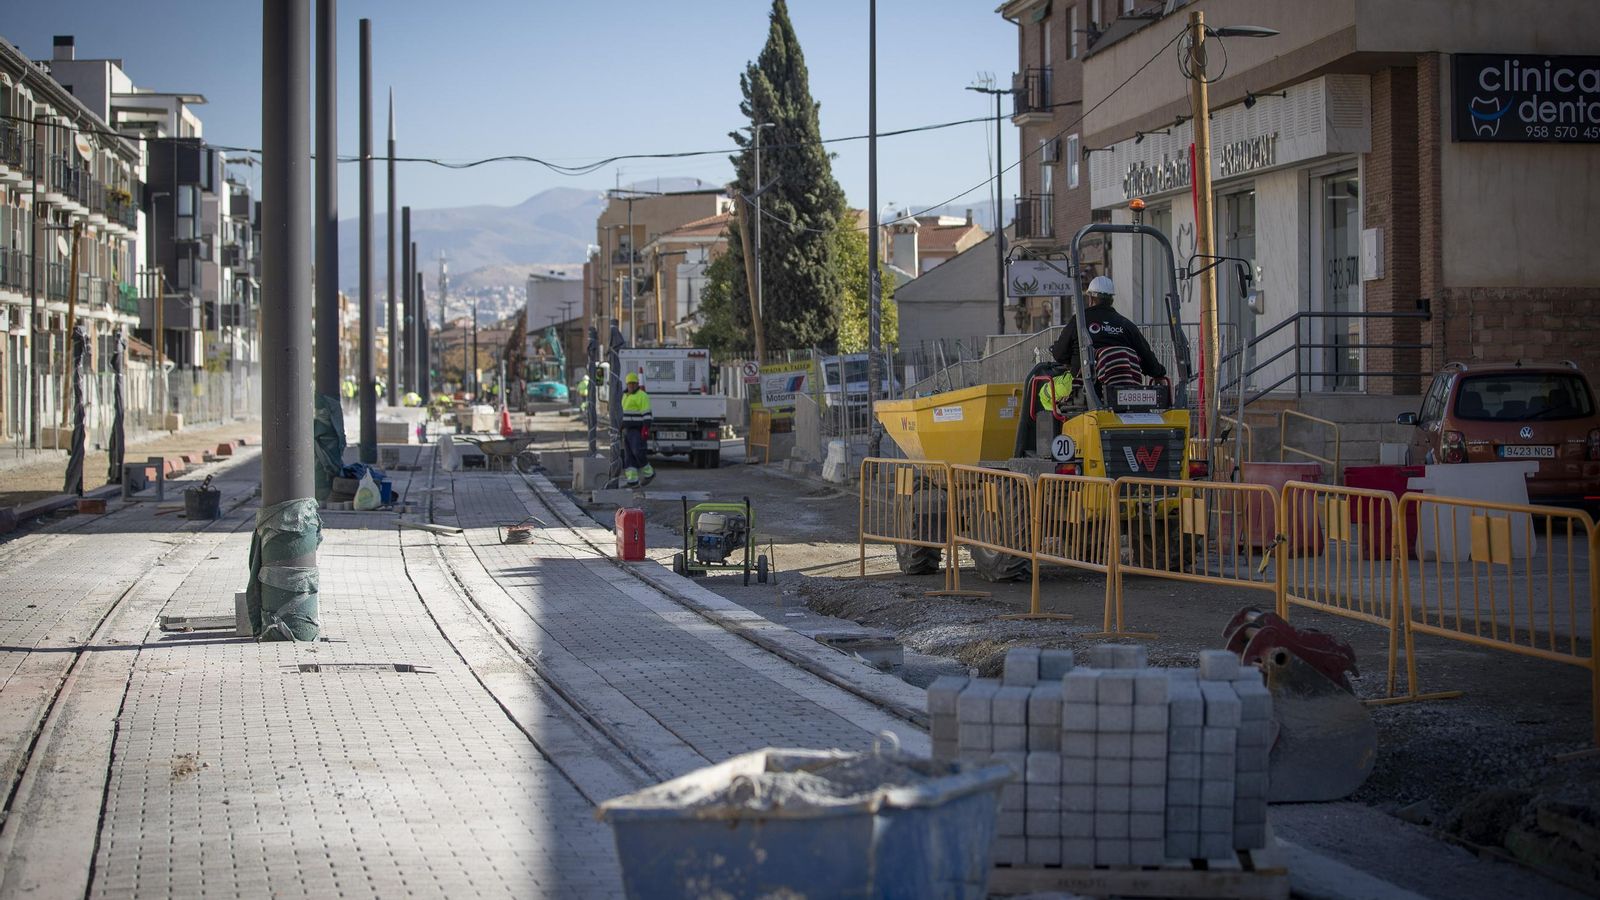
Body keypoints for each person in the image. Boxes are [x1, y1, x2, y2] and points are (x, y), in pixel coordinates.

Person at [1050, 275, 1167, 393]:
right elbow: (1146, 355)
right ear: (1111, 300)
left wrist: (1070, 361)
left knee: (1045, 392)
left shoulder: (1079, 321)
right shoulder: (1126, 325)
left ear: (1090, 299)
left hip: (1083, 388)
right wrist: (1159, 374)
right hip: (1124, 389)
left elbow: (1059, 354)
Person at [620, 372, 654, 486]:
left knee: (638, 452)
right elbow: (622, 413)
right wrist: (620, 426)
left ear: (637, 384)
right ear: (627, 384)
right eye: (630, 383)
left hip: (637, 430)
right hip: (627, 430)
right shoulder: (625, 396)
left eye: (634, 383)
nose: (631, 385)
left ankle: (649, 473)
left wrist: (646, 428)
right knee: (628, 456)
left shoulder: (642, 396)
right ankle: (632, 480)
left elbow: (647, 413)